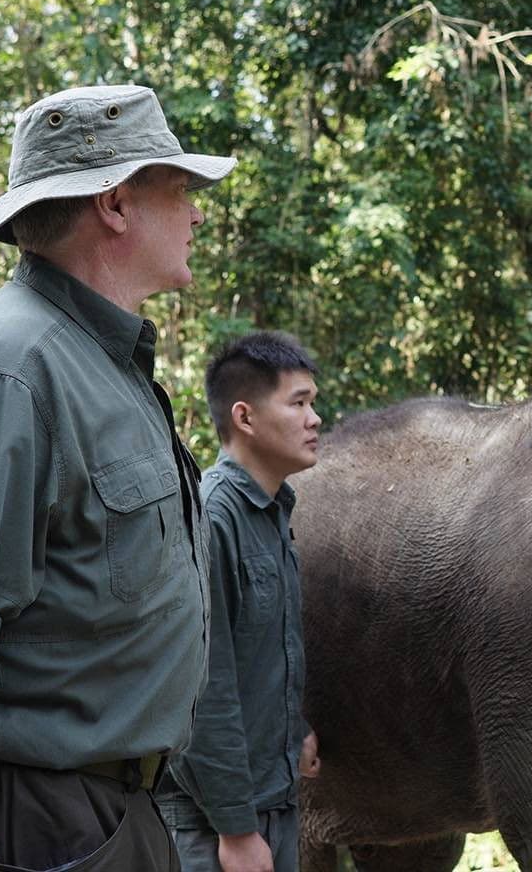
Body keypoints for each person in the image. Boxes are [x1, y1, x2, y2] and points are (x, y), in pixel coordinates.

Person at [0, 84, 236, 871]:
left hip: (108, 821)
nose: (198, 214)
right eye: (182, 189)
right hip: (31, 830)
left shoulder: (95, 365)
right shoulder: (3, 372)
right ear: (117, 205)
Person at [155, 331, 324, 872]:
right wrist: (236, 829)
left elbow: (265, 651)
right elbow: (204, 688)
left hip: (270, 801)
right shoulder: (213, 518)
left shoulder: (273, 512)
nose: (314, 419)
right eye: (298, 403)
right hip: (214, 822)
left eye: (312, 403)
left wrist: (292, 731)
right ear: (245, 417)